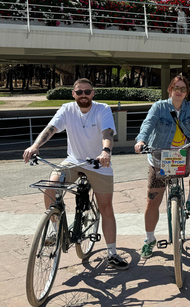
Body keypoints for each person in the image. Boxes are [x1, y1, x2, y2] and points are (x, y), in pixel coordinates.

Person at [23, 78, 129, 270]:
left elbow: (107, 133)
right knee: (50, 187)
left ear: (93, 93)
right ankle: (56, 230)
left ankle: (112, 253)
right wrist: (35, 146)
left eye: (87, 92)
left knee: (106, 208)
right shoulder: (67, 109)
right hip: (73, 161)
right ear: (73, 94)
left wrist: (106, 152)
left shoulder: (102, 109)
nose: (83, 95)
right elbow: (51, 128)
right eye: (79, 92)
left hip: (98, 163)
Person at [134, 74, 190, 259]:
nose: (179, 91)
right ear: (170, 89)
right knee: (152, 202)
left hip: (183, 154)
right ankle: (149, 239)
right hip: (160, 157)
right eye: (176, 88)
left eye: (183, 89)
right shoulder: (159, 107)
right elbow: (148, 124)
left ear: (187, 92)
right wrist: (141, 140)